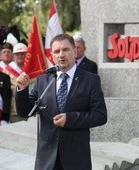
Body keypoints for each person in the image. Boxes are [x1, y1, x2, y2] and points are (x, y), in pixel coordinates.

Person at [15, 34, 107, 170]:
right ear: (52, 55)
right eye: (57, 51)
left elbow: (100, 116)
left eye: (66, 49)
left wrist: (70, 119)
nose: (61, 54)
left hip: (76, 158)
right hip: (47, 158)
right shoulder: (43, 80)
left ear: (75, 51)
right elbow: (25, 112)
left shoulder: (91, 80)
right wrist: (22, 89)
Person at [5, 42, 28, 122]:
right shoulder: (6, 71)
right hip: (13, 110)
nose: (20, 56)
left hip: (30, 110)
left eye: (22, 54)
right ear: (13, 56)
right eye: (17, 54)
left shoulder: (32, 69)